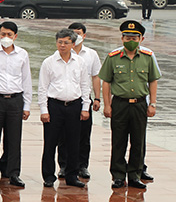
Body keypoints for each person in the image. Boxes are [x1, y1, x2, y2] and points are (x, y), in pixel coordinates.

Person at [99, 21, 160, 190]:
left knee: (138, 141)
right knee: (118, 141)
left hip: (140, 104)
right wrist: (107, 105)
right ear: (122, 38)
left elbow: (153, 80)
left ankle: (135, 175)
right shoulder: (113, 57)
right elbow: (106, 82)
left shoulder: (147, 57)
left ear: (141, 38)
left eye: (134, 37)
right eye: (127, 37)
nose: (130, 40)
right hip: (120, 104)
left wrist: (152, 104)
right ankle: (118, 176)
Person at [0, 21, 32, 188]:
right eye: (3, 34)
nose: (6, 38)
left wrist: (27, 105)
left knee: (14, 139)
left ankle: (13, 173)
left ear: (15, 36)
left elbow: (26, 80)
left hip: (15, 100)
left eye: (9, 35)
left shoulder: (22, 54)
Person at [37, 29, 91, 189]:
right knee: (50, 143)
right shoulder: (49, 62)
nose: (62, 45)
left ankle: (72, 175)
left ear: (73, 44)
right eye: (60, 42)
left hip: (74, 105)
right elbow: (42, 87)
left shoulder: (80, 62)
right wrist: (43, 110)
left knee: (73, 143)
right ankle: (48, 176)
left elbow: (85, 85)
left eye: (66, 42)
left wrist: (85, 107)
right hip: (55, 106)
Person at [58, 23, 102, 180]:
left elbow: (96, 76)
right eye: (73, 33)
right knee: (63, 134)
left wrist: (97, 98)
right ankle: (64, 165)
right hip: (64, 99)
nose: (76, 36)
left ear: (84, 35)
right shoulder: (61, 52)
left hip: (84, 99)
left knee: (84, 133)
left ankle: (82, 165)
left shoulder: (91, 54)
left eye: (78, 33)